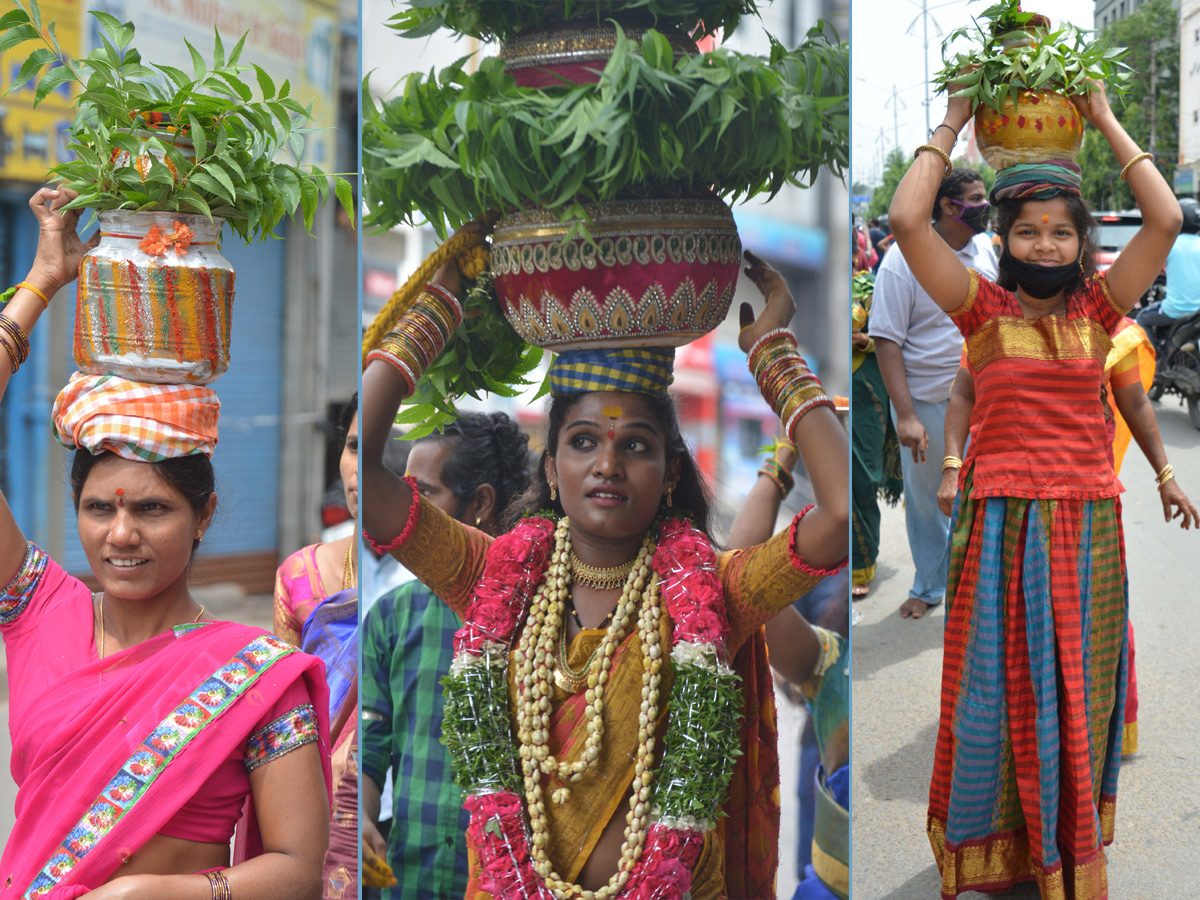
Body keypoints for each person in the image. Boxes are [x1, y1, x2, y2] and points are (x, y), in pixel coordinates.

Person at [361, 236, 849, 899]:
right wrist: (438, 304)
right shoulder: (492, 577)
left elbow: (841, 517)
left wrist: (772, 352)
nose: (607, 465)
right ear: (552, 470)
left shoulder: (714, 591)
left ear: (671, 469)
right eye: (583, 441)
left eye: (636, 446)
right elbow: (366, 474)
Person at [889, 79, 1185, 898]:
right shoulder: (978, 310)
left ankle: (1065, 843)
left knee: (1077, 698)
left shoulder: (1101, 308)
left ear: (1080, 241)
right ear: (1005, 239)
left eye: (1061, 232)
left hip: (1087, 528)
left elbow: (1165, 219)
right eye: (1028, 230)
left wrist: (1101, 117)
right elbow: (909, 221)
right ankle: (1001, 850)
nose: (1046, 244)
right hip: (998, 530)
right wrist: (952, 118)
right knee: (992, 695)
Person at [0, 188, 331, 898]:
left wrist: (166, 893)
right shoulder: (37, 608)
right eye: (97, 510)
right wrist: (43, 282)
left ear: (203, 514)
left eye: (152, 510)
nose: (121, 535)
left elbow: (301, 872)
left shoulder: (256, 676)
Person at [361, 412, 532, 900]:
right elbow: (370, 752)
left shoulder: (545, 613)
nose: (404, 506)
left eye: (423, 493)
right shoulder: (393, 616)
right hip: (403, 882)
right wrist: (362, 821)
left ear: (480, 502)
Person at [870, 168, 998, 619]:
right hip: (926, 401)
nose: (985, 205)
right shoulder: (903, 261)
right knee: (929, 502)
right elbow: (886, 339)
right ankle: (929, 587)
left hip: (984, 397)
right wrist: (905, 415)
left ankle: (983, 588)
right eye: (977, 198)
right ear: (948, 205)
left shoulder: (985, 250)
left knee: (983, 495)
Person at [850, 281, 902, 599]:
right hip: (833, 390)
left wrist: (865, 341)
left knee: (862, 479)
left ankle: (862, 564)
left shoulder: (874, 286)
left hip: (867, 394)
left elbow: (896, 338)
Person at [1136, 197, 1200, 354]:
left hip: (1175, 311)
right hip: (1198, 312)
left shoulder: (1171, 244)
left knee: (1142, 318)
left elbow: (1151, 268)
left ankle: (1154, 362)